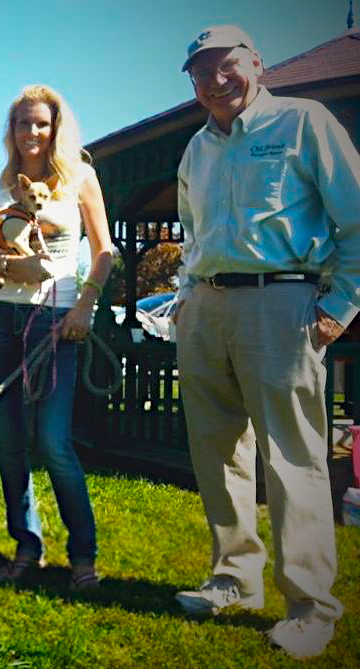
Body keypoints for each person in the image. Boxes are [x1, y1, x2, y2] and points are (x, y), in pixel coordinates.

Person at [172, 25, 358, 659]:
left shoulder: (304, 122)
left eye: (225, 66)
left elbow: (357, 219)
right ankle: (234, 579)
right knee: (217, 452)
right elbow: (192, 235)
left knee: (293, 457)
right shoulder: (196, 148)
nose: (215, 81)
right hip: (206, 308)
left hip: (284, 304)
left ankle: (311, 607)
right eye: (200, 73)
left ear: (256, 61)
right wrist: (183, 299)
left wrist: (340, 306)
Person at [0, 86, 113, 587]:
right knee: (8, 439)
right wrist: (9, 264)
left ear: (56, 128)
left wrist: (85, 305)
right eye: (23, 123)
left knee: (53, 440)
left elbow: (105, 251)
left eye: (41, 123)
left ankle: (82, 554)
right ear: (12, 130)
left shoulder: (81, 180)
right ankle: (27, 547)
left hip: (56, 322)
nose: (31, 132)